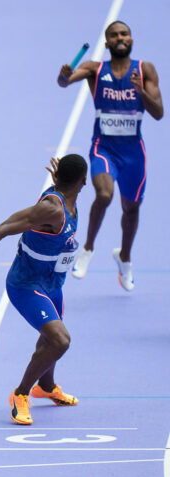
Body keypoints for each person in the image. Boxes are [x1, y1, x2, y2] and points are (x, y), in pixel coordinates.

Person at [0, 155, 88, 425]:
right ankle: (21, 394)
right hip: (27, 284)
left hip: (53, 283)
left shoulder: (69, 197)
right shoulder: (52, 209)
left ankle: (46, 387)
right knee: (60, 340)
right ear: (84, 181)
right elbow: (3, 228)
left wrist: (59, 181)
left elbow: (62, 187)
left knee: (50, 339)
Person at [58, 21, 163, 290]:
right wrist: (64, 75)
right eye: (114, 35)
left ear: (131, 40)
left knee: (131, 208)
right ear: (106, 43)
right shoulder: (95, 69)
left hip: (133, 153)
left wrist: (140, 91)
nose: (120, 37)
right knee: (104, 195)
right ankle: (88, 249)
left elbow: (159, 112)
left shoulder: (145, 70)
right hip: (103, 147)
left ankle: (124, 257)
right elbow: (64, 82)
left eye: (124, 34)